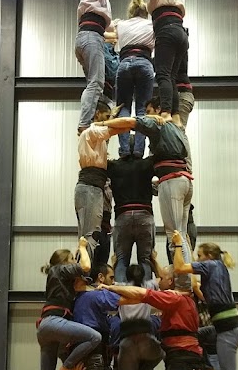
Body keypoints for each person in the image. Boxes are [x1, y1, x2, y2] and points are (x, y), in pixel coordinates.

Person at [173, 238, 238, 370]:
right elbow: (204, 296)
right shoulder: (218, 269)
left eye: (200, 256)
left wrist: (178, 245)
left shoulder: (211, 264)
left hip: (228, 330)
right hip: (223, 328)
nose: (199, 260)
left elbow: (179, 267)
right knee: (195, 336)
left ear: (209, 256)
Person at [111, 0, 189, 119]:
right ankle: (175, 116)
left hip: (166, 30)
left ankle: (166, 113)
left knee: (163, 75)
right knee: (171, 77)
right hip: (180, 32)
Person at [31, 240, 102, 370]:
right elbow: (85, 266)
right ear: (64, 261)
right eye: (71, 259)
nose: (73, 262)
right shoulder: (61, 269)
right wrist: (83, 247)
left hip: (44, 328)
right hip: (56, 322)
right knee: (95, 337)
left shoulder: (56, 276)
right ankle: (68, 365)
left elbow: (80, 285)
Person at [133, 104, 193, 278]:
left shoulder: (160, 126)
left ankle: (184, 282)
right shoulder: (177, 128)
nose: (147, 115)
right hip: (185, 180)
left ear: (159, 110)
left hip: (172, 180)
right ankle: (187, 280)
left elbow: (135, 121)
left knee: (174, 236)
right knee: (181, 234)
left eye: (149, 112)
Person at [75, 103, 139, 258]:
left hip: (92, 186)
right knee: (89, 236)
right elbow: (116, 129)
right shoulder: (92, 130)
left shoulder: (98, 139)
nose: (108, 121)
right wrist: (138, 123)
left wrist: (111, 117)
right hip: (90, 186)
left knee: (90, 235)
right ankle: (82, 274)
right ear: (97, 114)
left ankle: (85, 273)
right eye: (105, 116)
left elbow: (110, 133)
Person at [75, 0, 122, 132]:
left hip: (86, 38)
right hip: (91, 38)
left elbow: (109, 29)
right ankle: (84, 123)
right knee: (96, 83)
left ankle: (88, 119)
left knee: (92, 85)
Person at [116, 265, 162, 370]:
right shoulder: (148, 285)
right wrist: (153, 260)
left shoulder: (121, 287)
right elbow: (161, 278)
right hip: (145, 337)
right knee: (160, 354)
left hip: (127, 338)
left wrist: (116, 263)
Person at [109, 0, 155, 158]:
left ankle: (124, 150)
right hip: (144, 62)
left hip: (124, 63)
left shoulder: (121, 24)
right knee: (142, 108)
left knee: (123, 107)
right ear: (145, 12)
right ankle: (138, 151)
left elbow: (108, 31)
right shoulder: (151, 24)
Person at [107, 154, 156, 283]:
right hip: (144, 213)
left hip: (123, 214)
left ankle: (121, 297)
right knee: (145, 259)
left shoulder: (114, 166)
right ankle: (146, 297)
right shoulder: (147, 164)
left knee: (121, 260)